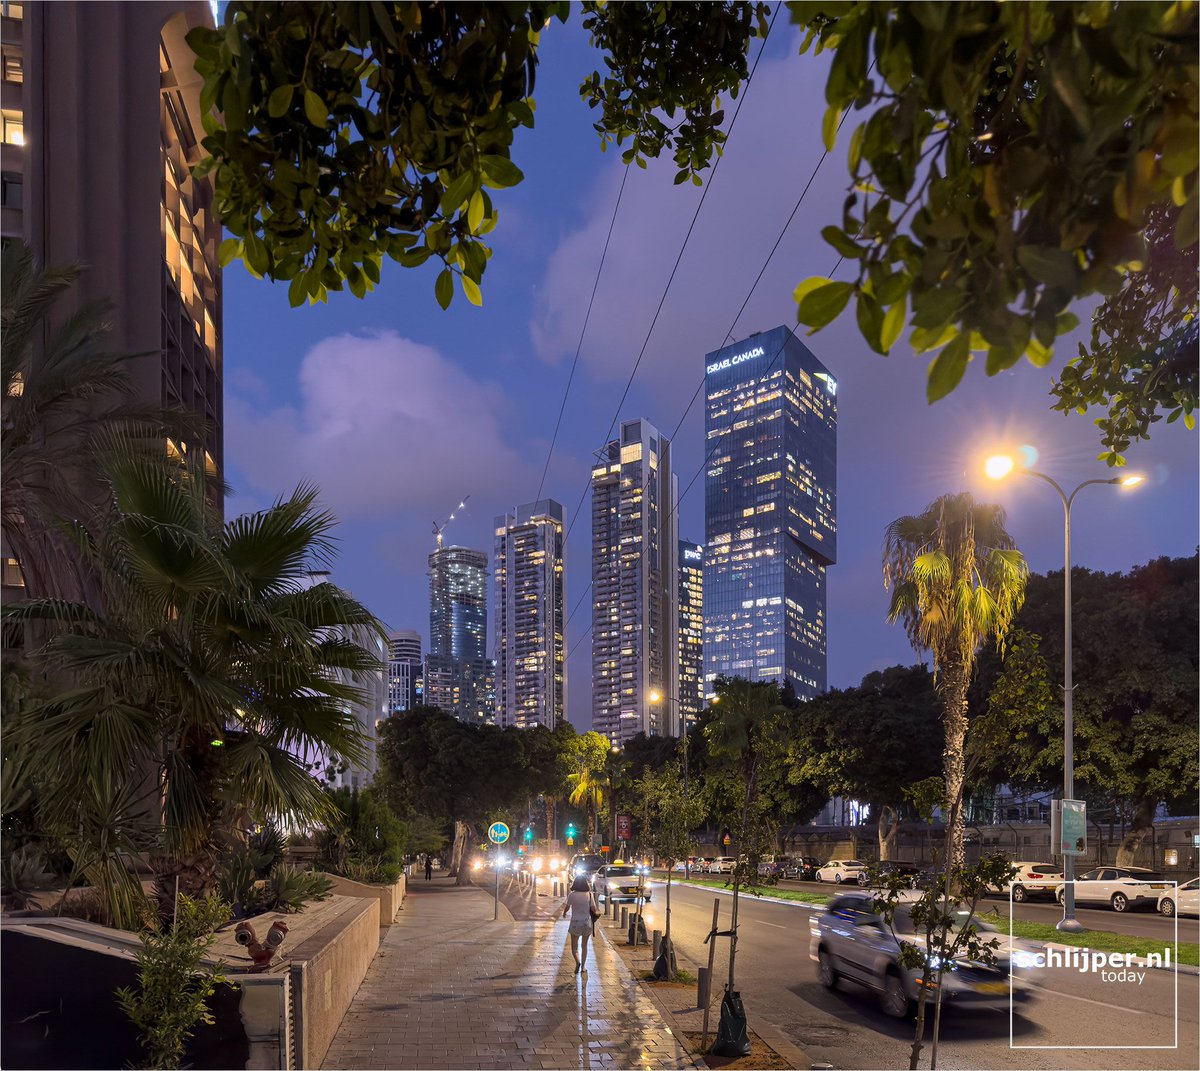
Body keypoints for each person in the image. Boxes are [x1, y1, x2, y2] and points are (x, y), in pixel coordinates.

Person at [562, 875, 599, 973]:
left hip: (575, 923)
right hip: (586, 923)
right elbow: (593, 909)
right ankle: (583, 967)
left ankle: (577, 961)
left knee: (574, 947)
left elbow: (567, 907)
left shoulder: (572, 895)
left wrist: (564, 913)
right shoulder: (589, 895)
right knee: (584, 945)